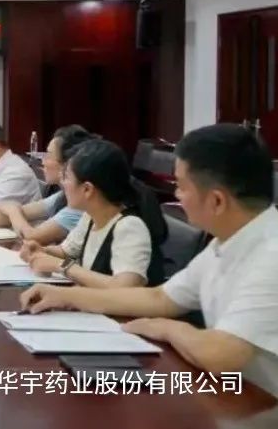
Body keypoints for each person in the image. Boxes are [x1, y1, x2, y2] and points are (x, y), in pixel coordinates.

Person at [20, 124, 278, 396]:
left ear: (217, 201)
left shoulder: (270, 254)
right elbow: (160, 298)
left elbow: (221, 353)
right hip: (233, 396)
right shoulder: (227, 241)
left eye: (181, 186)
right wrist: (66, 297)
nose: (176, 195)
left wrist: (168, 329)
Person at [18, 139, 158, 288]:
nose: (63, 183)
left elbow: (125, 288)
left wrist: (61, 266)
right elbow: (65, 253)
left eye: (66, 177)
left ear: (87, 189)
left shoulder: (130, 227)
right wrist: (42, 251)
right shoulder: (90, 216)